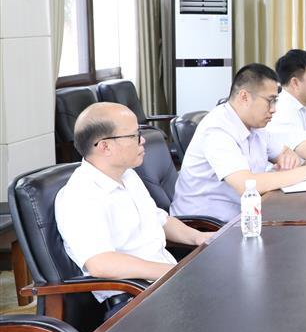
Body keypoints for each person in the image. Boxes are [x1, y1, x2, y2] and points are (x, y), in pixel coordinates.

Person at [55, 102, 214, 320]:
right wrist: (173, 272)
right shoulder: (80, 195)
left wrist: (200, 238)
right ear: (105, 147)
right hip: (134, 302)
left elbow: (161, 220)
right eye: (133, 136)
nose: (142, 140)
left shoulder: (127, 175)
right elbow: (101, 263)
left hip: (165, 285)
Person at [170, 64, 306, 222]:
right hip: (206, 225)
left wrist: (288, 159)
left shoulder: (255, 124)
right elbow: (246, 184)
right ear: (244, 97)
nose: (274, 109)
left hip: (246, 214)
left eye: (276, 101)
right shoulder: (217, 129)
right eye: (270, 100)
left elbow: (285, 152)